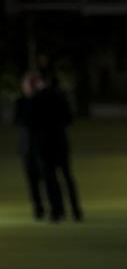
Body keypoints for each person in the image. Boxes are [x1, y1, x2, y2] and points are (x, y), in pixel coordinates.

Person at [31, 74, 82, 223]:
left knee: (50, 179)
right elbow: (69, 119)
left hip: (44, 144)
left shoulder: (36, 98)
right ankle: (76, 210)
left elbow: (31, 122)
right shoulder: (60, 96)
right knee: (67, 177)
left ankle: (57, 211)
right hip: (60, 142)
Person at [14, 72, 44, 220]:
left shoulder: (41, 101)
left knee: (46, 178)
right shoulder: (21, 101)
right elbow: (19, 120)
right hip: (27, 148)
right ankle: (38, 208)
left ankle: (53, 208)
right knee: (32, 181)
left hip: (41, 146)